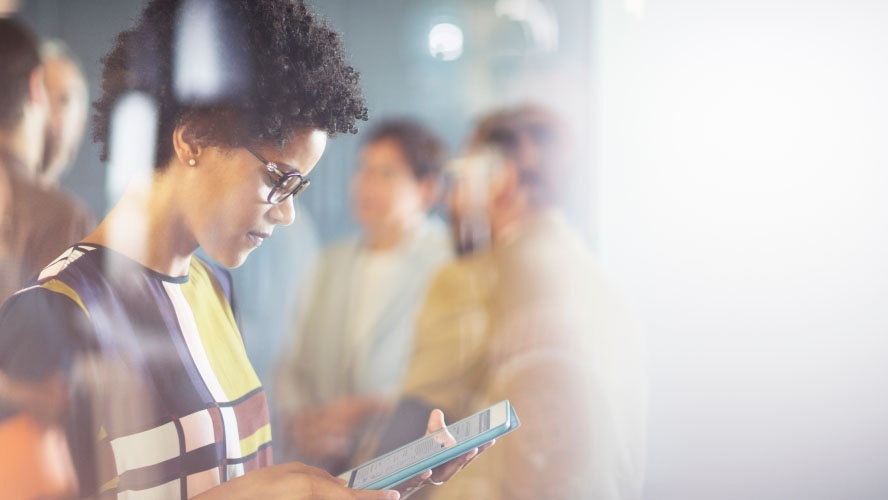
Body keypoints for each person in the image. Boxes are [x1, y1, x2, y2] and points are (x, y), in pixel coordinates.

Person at [0, 2, 489, 499]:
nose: (287, 212)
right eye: (279, 179)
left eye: (298, 188)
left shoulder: (212, 287)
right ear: (192, 140)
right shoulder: (52, 315)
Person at [375, 105, 647, 499]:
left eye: (462, 176)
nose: (451, 199)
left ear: (501, 178)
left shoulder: (469, 281)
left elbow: (407, 448)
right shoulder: (613, 295)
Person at [274, 119, 452, 471]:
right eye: (363, 169)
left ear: (428, 189)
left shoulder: (449, 268)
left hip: (406, 465)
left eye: (386, 173)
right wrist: (301, 422)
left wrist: (366, 410)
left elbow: (445, 380)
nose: (365, 184)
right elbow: (291, 363)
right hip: (323, 465)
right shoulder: (329, 262)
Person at [0, 20, 94, 304]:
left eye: (67, 100)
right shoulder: (68, 221)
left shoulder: (69, 217)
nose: (57, 118)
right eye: (54, 97)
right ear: (35, 89)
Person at [38, 39, 90, 188]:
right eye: (44, 95)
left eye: (64, 100)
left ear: (82, 120)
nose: (53, 114)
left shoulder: (71, 210)